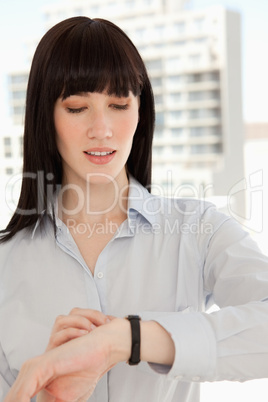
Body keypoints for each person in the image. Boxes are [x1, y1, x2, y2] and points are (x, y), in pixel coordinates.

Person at [1, 16, 268, 402]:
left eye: (119, 103)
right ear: (47, 117)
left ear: (141, 112)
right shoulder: (6, 265)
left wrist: (128, 339)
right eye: (77, 107)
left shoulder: (198, 229)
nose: (102, 128)